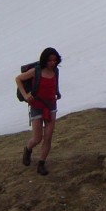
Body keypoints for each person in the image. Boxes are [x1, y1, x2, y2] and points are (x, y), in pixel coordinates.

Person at [15, 47, 62, 175]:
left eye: (54, 60)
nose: (52, 63)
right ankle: (28, 149)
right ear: (44, 60)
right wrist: (25, 95)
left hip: (51, 106)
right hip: (36, 106)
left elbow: (54, 85)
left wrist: (57, 92)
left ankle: (41, 164)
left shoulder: (56, 71)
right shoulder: (36, 71)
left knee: (48, 137)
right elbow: (18, 79)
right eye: (49, 60)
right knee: (37, 138)